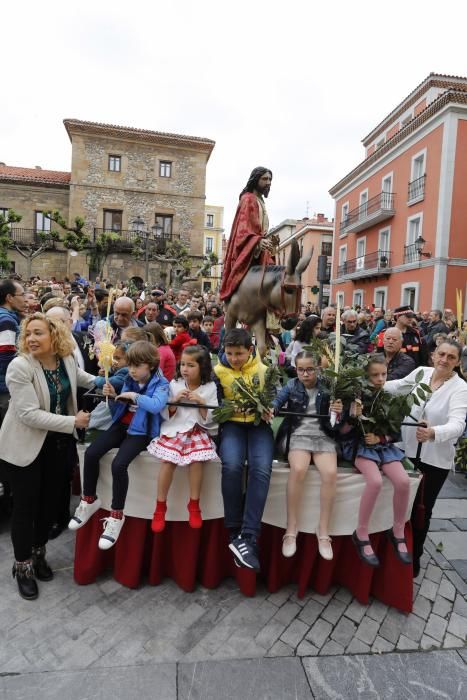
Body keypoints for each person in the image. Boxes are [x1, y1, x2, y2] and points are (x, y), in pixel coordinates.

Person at [0, 313, 94, 600]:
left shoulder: (64, 359)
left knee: (49, 506)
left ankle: (39, 554)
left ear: (55, 336)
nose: (30, 339)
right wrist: (72, 422)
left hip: (57, 447)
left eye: (38, 333)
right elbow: (28, 415)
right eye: (28, 334)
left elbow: (81, 377)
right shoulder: (20, 366)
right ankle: (22, 566)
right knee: (25, 510)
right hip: (24, 448)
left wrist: (110, 379)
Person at [69, 341, 169, 549]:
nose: (131, 371)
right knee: (91, 453)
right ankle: (89, 499)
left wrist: (134, 396)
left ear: (150, 365)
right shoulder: (131, 380)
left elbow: (156, 405)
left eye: (136, 366)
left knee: (119, 464)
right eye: (130, 366)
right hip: (121, 426)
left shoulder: (161, 383)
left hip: (141, 432)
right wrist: (113, 396)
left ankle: (116, 515)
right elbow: (120, 408)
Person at [385, 340, 467, 577]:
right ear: (433, 355)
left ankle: (415, 559)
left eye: (451, 357)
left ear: (457, 362)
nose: (444, 360)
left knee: (422, 510)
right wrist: (374, 383)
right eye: (441, 354)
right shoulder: (422, 372)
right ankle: (396, 552)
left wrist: (434, 433)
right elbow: (399, 386)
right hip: (407, 450)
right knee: (400, 505)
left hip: (434, 458)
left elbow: (458, 423)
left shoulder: (460, 388)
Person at [339, 357, 412, 568]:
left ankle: (397, 529)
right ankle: (361, 531)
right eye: (375, 375)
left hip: (383, 447)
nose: (380, 379)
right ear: (365, 377)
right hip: (361, 447)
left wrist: (380, 438)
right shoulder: (357, 398)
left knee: (403, 481)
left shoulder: (389, 398)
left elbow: (395, 431)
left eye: (384, 374)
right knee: (375, 481)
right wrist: (353, 416)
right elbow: (342, 432)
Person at [214, 328, 275, 571]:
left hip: (259, 427)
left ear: (250, 351)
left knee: (261, 469)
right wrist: (229, 406)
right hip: (232, 427)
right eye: (229, 353)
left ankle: (249, 536)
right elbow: (216, 403)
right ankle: (233, 531)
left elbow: (274, 396)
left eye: (239, 353)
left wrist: (269, 406)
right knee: (231, 466)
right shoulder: (217, 372)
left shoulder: (264, 370)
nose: (234, 358)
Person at [272, 351, 342, 560]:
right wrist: (272, 408)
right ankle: (291, 528)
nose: (305, 374)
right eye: (301, 369)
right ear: (295, 369)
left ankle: (323, 531)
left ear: (317, 369)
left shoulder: (329, 385)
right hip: (299, 434)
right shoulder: (292, 385)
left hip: (323, 435)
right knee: (299, 469)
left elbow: (340, 416)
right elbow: (278, 400)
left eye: (310, 369)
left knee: (330, 474)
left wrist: (339, 409)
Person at [149, 346, 218, 532]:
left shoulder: (210, 387)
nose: (185, 369)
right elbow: (166, 413)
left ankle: (194, 504)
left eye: (191, 365)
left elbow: (210, 418)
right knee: (168, 461)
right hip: (175, 430)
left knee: (197, 462)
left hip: (196, 430)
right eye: (183, 365)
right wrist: (175, 402)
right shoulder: (174, 384)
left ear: (202, 367)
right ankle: (160, 507)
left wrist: (201, 402)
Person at [220, 167, 274, 302]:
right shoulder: (248, 199)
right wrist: (257, 241)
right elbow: (242, 230)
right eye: (265, 179)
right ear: (255, 179)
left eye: (270, 179)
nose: (268, 182)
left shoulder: (260, 201)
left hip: (260, 251)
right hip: (250, 250)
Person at [0, 279, 28, 425]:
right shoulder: (6, 321)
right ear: (9, 298)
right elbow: (6, 358)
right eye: (22, 294)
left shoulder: (8, 317)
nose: (25, 298)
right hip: (5, 388)